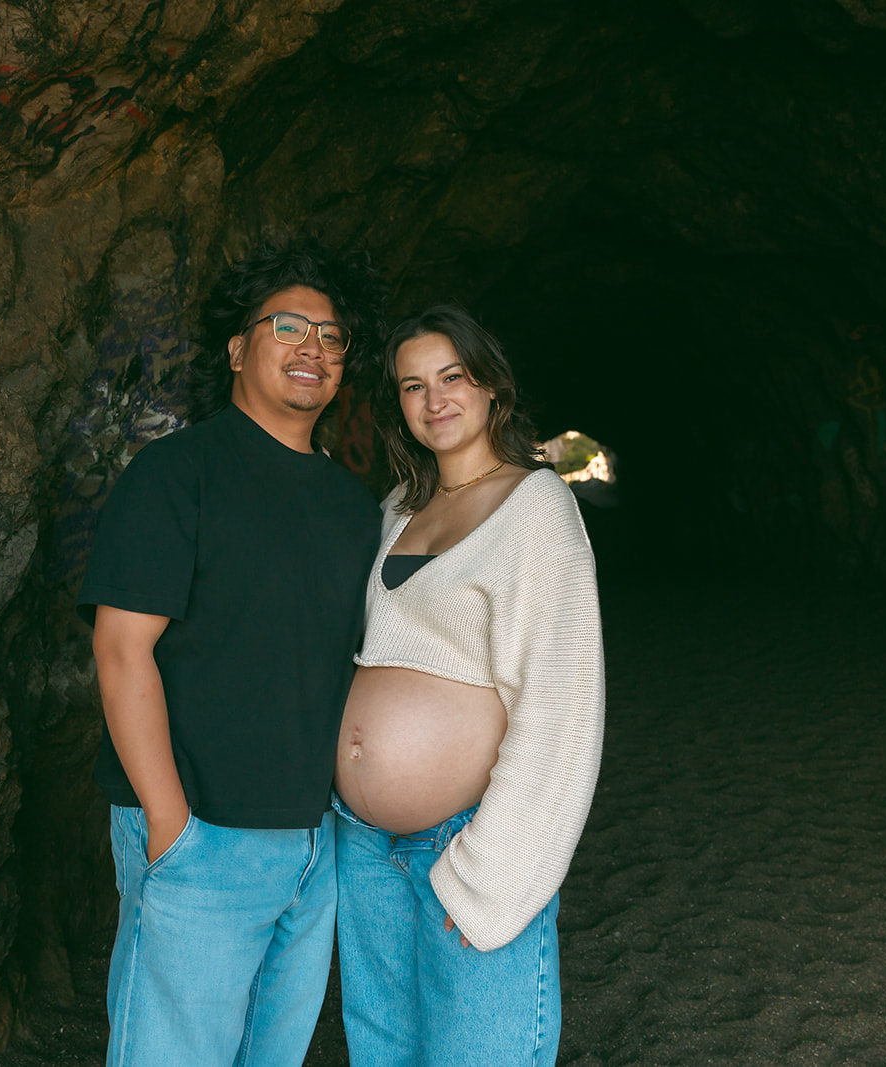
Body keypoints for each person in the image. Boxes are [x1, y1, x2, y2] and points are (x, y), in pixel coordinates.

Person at [75, 237, 384, 1066]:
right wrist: (172, 827)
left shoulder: (353, 505)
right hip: (202, 831)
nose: (312, 346)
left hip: (313, 843)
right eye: (288, 326)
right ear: (239, 348)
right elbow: (120, 650)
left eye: (331, 335)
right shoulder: (178, 474)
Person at [333, 305, 606, 1065]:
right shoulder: (399, 508)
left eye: (452, 376)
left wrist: (494, 871)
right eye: (413, 385)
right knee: (385, 1051)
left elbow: (562, 707)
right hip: (365, 848)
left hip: (462, 845)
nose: (435, 399)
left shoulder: (536, 506)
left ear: (491, 387)